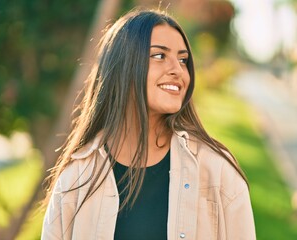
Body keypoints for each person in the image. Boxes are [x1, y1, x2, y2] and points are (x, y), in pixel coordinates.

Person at [41, 8, 256, 240]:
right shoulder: (76, 178)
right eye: (159, 56)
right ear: (124, 66)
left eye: (183, 60)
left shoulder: (218, 170)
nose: (178, 70)